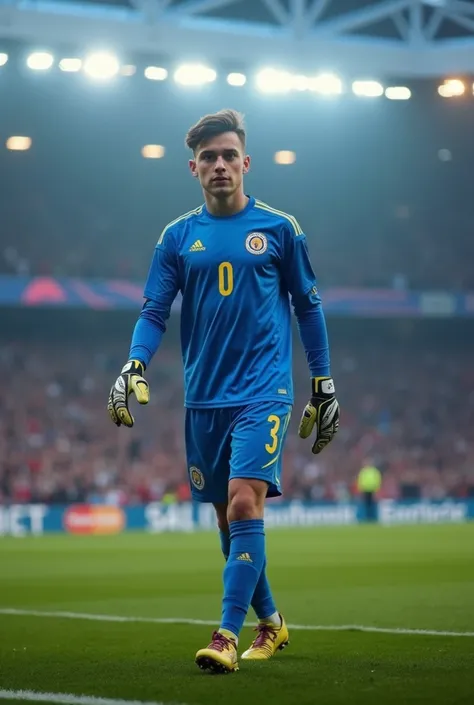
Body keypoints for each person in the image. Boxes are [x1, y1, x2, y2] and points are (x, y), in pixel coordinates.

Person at [107, 109, 339, 674]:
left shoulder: (280, 229)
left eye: (228, 155)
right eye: (208, 157)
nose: (219, 165)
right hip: (202, 398)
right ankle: (273, 623)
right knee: (228, 520)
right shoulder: (177, 237)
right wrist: (134, 361)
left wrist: (323, 382)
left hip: (263, 393)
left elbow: (308, 307)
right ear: (193, 168)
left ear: (245, 163)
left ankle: (226, 635)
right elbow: (154, 309)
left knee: (242, 502)